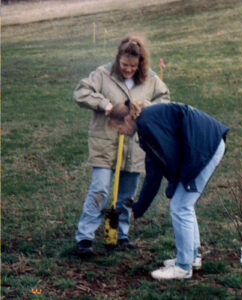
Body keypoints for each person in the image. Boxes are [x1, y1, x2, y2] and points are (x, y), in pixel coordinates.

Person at [108, 100, 229, 280]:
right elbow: (158, 166)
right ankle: (192, 257)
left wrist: (145, 204)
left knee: (180, 207)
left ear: (126, 119)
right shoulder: (147, 122)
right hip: (205, 142)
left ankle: (183, 267)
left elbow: (164, 164)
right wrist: (141, 206)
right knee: (183, 204)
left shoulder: (147, 125)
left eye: (119, 129)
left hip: (204, 146)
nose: (121, 134)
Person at [74, 34, 170, 254]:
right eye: (124, 65)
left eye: (133, 67)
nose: (128, 70)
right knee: (100, 189)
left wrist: (142, 107)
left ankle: (120, 235)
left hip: (134, 146)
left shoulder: (151, 79)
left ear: (141, 64)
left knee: (127, 194)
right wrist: (106, 106)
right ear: (118, 59)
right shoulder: (103, 74)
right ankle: (85, 237)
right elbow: (80, 93)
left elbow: (164, 101)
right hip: (105, 142)